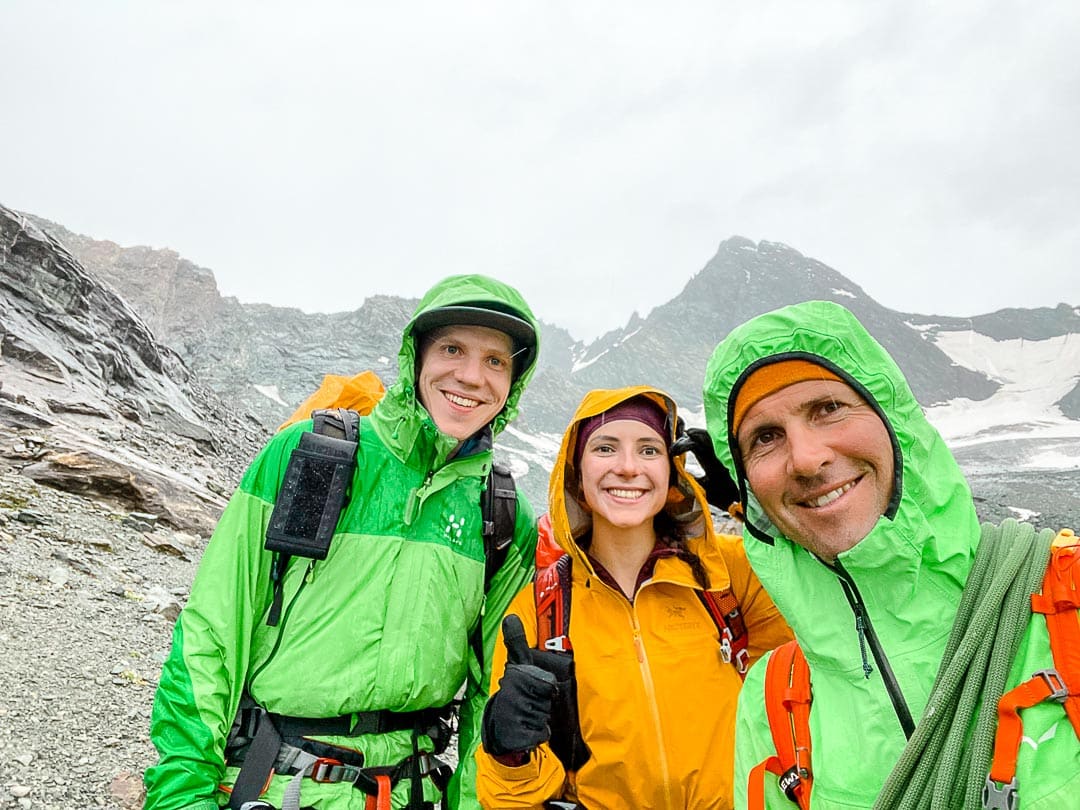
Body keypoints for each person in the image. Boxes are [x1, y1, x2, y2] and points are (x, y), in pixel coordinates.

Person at [144, 274, 542, 810]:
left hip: (413, 792)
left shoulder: (501, 511)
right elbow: (213, 630)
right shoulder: (309, 457)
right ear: (416, 356)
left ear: (514, 380)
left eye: (496, 361)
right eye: (452, 349)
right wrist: (180, 793)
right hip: (281, 784)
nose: (472, 377)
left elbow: (491, 688)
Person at [701, 300, 1080, 809]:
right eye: (765, 437)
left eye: (828, 408)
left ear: (894, 420)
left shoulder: (1069, 603)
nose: (808, 459)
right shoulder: (772, 705)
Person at [474, 386, 793, 809]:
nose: (628, 468)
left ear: (672, 471)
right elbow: (510, 801)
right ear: (575, 473)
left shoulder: (729, 572)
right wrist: (508, 753)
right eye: (605, 448)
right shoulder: (541, 609)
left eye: (649, 450)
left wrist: (753, 511)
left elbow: (832, 600)